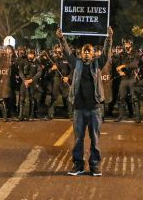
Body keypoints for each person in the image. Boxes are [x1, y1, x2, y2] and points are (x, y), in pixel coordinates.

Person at [57, 26, 113, 177]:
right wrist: (62, 38)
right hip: (79, 108)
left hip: (94, 108)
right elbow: (67, 52)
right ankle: (78, 165)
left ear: (93, 53)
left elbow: (106, 53)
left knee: (95, 140)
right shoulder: (76, 64)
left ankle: (95, 166)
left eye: (89, 51)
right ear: (81, 54)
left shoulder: (97, 64)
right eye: (84, 51)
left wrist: (109, 38)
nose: (87, 53)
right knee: (78, 139)